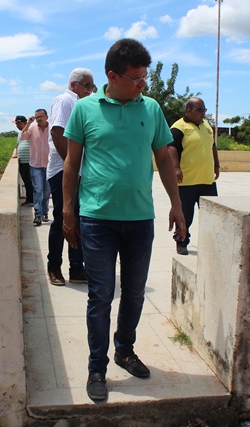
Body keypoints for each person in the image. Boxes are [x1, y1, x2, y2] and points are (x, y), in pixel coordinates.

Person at [62, 38, 186, 402]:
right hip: (97, 218)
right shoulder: (85, 109)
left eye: (145, 77)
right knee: (100, 296)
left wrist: (176, 204)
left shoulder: (151, 107)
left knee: (134, 293)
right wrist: (67, 209)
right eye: (135, 78)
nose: (142, 84)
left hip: (139, 218)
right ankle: (96, 367)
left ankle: (125, 350)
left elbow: (163, 158)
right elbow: (72, 162)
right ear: (112, 76)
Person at [46, 68, 94, 286]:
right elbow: (57, 132)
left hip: (77, 172)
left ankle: (77, 267)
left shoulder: (81, 104)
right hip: (62, 171)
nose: (90, 90)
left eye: (92, 86)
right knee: (61, 220)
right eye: (87, 85)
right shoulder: (65, 101)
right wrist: (70, 166)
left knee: (78, 219)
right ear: (75, 84)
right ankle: (54, 267)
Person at [167, 97, 220, 255]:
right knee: (185, 216)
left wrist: (216, 165)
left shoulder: (206, 125)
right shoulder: (178, 127)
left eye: (204, 110)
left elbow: (212, 146)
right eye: (200, 110)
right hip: (186, 182)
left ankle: (212, 244)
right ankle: (181, 242)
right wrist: (176, 168)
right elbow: (171, 148)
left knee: (213, 215)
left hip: (207, 180)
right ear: (188, 110)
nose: (203, 113)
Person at [21, 109, 50, 225]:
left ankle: (45, 212)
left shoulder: (52, 128)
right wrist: (28, 123)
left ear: (47, 117)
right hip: (35, 165)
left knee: (47, 192)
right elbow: (23, 137)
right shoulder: (32, 128)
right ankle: (38, 214)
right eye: (37, 117)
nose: (39, 119)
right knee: (38, 190)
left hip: (49, 165)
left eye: (41, 116)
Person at [11, 115, 34, 206]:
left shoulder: (30, 131)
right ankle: (29, 199)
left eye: (18, 123)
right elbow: (18, 145)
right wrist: (16, 154)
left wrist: (28, 124)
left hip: (30, 161)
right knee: (26, 182)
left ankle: (32, 200)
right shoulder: (19, 134)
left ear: (23, 123)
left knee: (31, 182)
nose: (16, 125)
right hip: (22, 162)